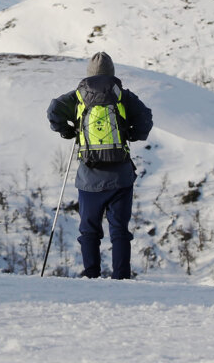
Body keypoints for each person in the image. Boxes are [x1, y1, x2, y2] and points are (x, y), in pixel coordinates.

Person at [46, 52, 153, 279]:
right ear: (112, 72)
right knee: (119, 231)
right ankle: (121, 276)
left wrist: (67, 130)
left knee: (89, 230)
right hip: (121, 176)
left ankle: (91, 275)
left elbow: (53, 109)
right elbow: (146, 117)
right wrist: (133, 134)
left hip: (89, 177)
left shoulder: (78, 96)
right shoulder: (122, 95)